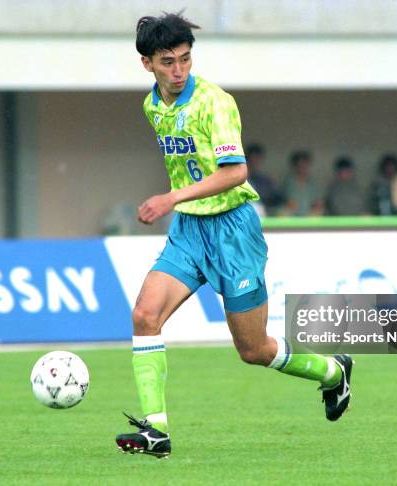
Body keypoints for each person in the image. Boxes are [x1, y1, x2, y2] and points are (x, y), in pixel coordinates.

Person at [116, 12, 353, 459]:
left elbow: (236, 172)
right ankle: (157, 431)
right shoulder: (152, 105)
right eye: (168, 61)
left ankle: (332, 372)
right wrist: (180, 204)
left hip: (232, 231)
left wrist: (170, 198)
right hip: (190, 229)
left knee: (253, 350)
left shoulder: (215, 103)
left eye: (185, 59)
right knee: (145, 316)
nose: (179, 70)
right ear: (147, 63)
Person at [280, 150, 324, 216]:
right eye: (299, 165)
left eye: (304, 164)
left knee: (317, 214)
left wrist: (317, 206)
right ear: (295, 166)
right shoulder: (289, 182)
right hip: (292, 214)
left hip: (309, 215)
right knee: (283, 214)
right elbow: (290, 203)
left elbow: (318, 202)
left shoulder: (312, 182)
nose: (302, 167)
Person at [245, 143, 284, 215]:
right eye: (253, 158)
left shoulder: (264, 180)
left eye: (258, 158)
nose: (255, 161)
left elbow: (275, 199)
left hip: (264, 216)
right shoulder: (238, 179)